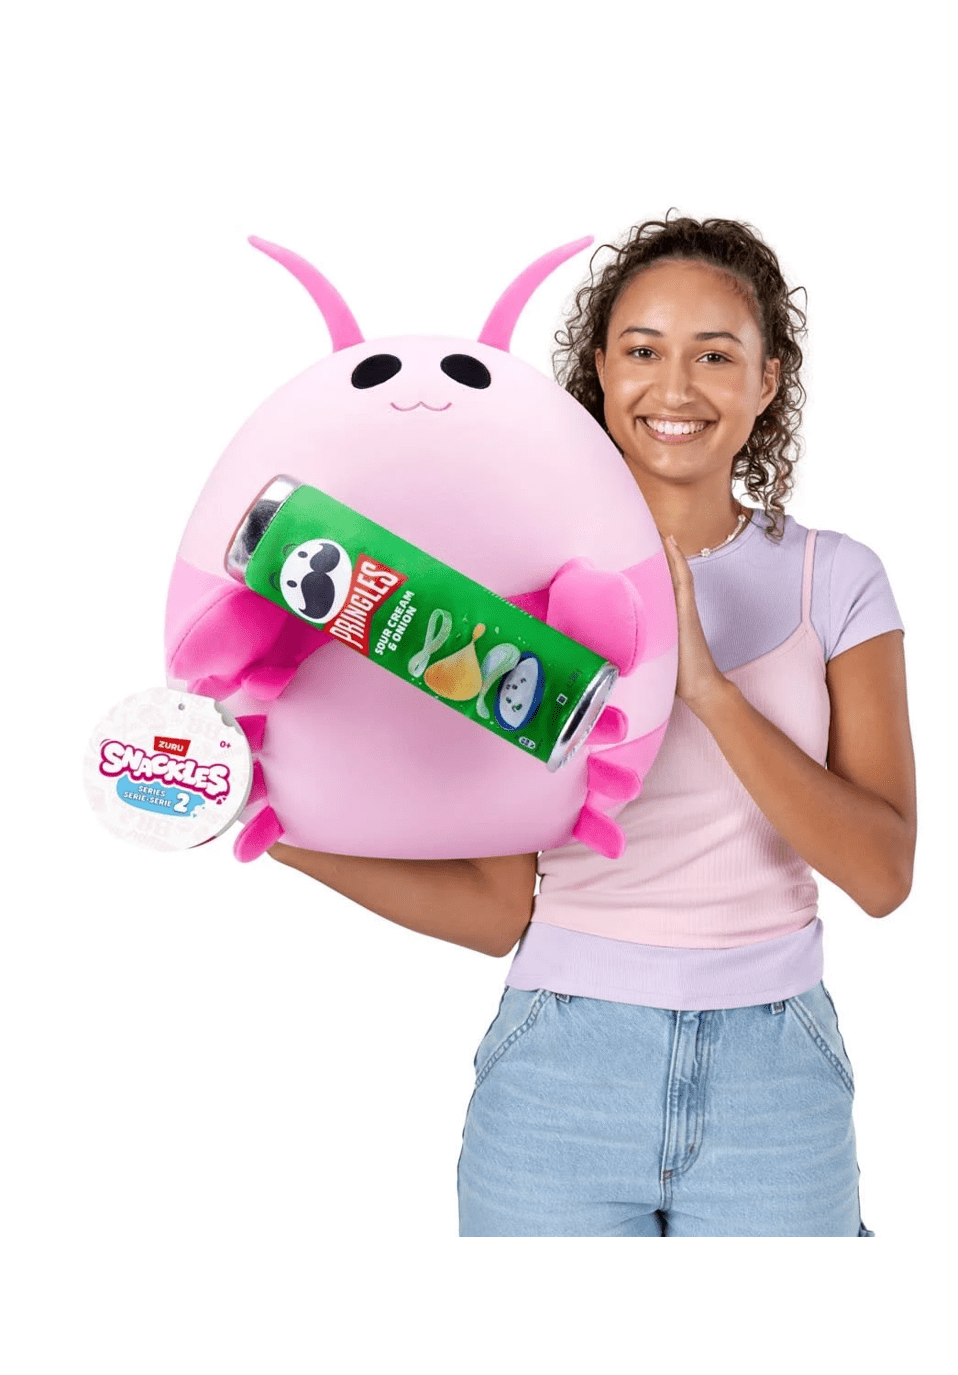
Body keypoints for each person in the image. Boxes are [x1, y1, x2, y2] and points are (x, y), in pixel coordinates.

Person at [270, 215, 917, 1237]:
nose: (675, 387)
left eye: (715, 354)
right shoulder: (521, 585)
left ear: (767, 380)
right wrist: (270, 827)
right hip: (558, 1079)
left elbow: (881, 874)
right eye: (642, 350)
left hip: (776, 1081)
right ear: (601, 373)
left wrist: (704, 688)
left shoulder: (832, 579)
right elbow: (497, 909)